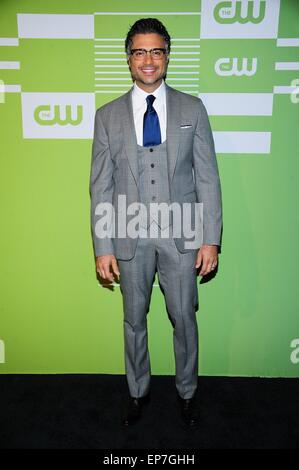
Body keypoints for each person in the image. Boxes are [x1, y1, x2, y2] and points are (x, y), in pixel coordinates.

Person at [90, 18, 222, 427]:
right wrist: (104, 245)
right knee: (133, 321)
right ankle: (137, 392)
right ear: (129, 58)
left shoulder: (192, 108)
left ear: (167, 55)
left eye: (156, 51)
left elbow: (208, 177)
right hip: (129, 237)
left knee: (184, 318)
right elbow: (100, 185)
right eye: (139, 52)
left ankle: (187, 392)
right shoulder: (107, 116)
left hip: (183, 235)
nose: (148, 60)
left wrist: (210, 239)